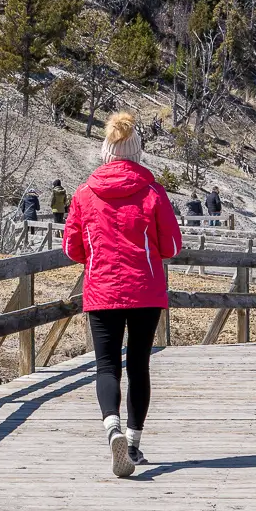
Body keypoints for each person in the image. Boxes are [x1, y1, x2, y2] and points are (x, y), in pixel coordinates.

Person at [62, 112, 183, 478]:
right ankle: (132, 443)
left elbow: (71, 246)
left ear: (107, 150)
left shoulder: (85, 193)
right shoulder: (151, 191)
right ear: (136, 151)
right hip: (145, 290)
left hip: (101, 290)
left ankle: (111, 426)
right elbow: (173, 245)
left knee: (107, 365)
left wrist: (94, 254)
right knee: (139, 365)